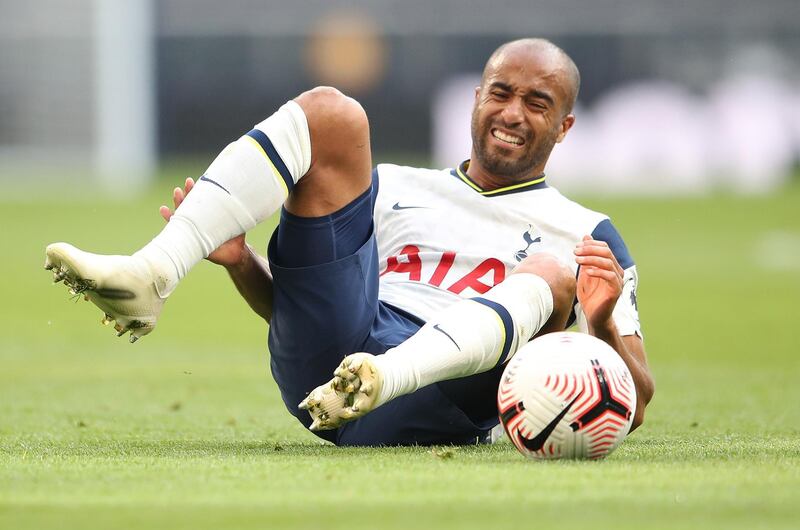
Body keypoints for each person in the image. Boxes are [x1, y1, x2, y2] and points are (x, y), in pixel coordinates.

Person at [45, 38, 654, 446]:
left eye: (536, 102)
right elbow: (308, 307)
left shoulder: (589, 233)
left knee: (555, 271)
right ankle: (151, 273)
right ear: (477, 98)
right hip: (327, 378)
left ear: (565, 125)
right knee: (333, 113)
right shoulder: (392, 186)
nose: (513, 112)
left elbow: (638, 398)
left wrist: (598, 322)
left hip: (438, 401)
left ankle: (385, 377)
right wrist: (240, 263)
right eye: (501, 93)